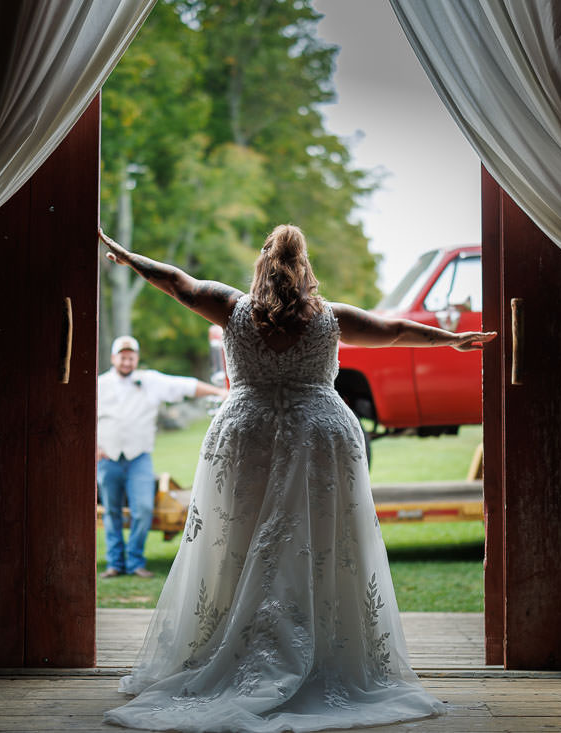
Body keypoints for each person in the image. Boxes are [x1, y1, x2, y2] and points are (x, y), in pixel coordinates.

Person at [98, 224, 496, 732]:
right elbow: (394, 329)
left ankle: (238, 649)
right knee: (320, 544)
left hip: (248, 435)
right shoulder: (332, 319)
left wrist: (129, 256)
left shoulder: (230, 307)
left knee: (237, 544)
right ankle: (318, 648)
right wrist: (451, 339)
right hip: (320, 439)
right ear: (305, 266)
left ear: (263, 263)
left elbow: (178, 282)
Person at [98, 334, 228, 579]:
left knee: (144, 509)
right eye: (122, 357)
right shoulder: (100, 384)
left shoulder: (149, 381)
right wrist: (94, 448)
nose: (127, 362)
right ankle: (115, 564)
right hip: (108, 459)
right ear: (114, 358)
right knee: (112, 512)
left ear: (136, 358)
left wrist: (220, 392)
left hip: (139, 458)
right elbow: (84, 417)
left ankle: (135, 562)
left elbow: (185, 386)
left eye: (131, 357)